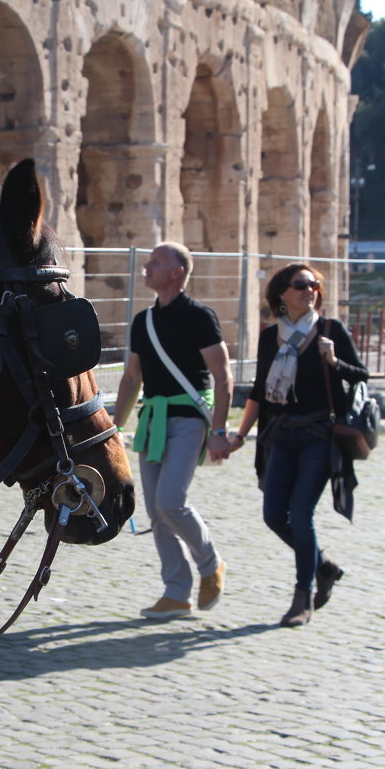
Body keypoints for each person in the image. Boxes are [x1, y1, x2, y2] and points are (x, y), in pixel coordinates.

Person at [227, 263, 368, 627]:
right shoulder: (268, 336)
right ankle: (323, 567)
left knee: (301, 513)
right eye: (301, 284)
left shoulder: (330, 330)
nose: (310, 290)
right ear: (281, 294)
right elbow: (259, 391)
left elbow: (361, 374)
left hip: (319, 435)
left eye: (315, 285)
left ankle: (301, 598)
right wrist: (239, 435)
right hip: (281, 436)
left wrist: (334, 360)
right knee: (274, 515)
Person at [114, 242, 231, 620]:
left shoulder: (200, 316)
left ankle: (210, 563)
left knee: (170, 501)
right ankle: (176, 592)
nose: (146, 268)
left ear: (178, 272)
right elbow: (132, 377)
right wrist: (115, 426)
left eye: (156, 263)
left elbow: (222, 375)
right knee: (155, 510)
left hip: (189, 418)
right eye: (147, 262)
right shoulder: (142, 321)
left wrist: (219, 429)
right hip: (154, 419)